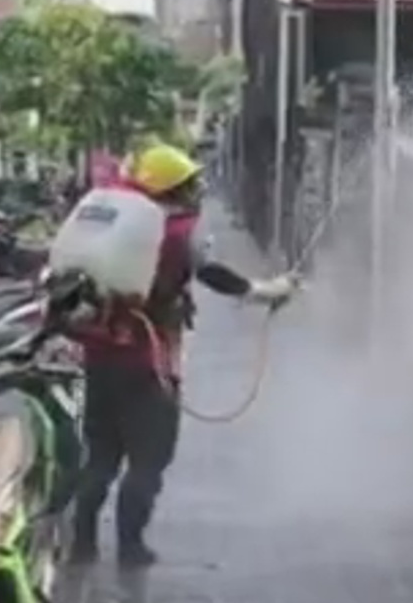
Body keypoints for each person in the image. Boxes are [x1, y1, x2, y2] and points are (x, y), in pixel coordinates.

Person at [67, 142, 298, 567]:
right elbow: (210, 272)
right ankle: (131, 546)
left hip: (98, 355)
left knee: (100, 455)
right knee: (149, 458)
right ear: (174, 189)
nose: (197, 190)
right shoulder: (175, 231)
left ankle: (82, 544)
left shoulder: (114, 222)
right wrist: (264, 290)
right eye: (190, 183)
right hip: (147, 363)